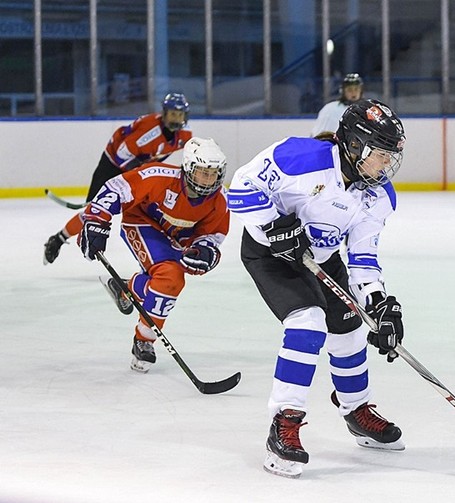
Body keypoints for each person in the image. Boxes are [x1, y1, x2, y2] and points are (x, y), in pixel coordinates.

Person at [227, 99, 406, 478]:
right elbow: (240, 187)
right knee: (307, 323)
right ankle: (284, 422)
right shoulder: (299, 157)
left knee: (350, 328)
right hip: (270, 254)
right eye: (380, 153)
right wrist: (274, 224)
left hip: (322, 258)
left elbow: (362, 257)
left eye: (390, 155)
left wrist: (378, 303)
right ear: (354, 145)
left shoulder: (378, 195)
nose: (386, 163)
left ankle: (356, 409)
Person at [78, 137, 229, 373]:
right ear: (188, 168)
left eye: (213, 174)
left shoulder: (220, 200)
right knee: (170, 277)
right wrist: (97, 219)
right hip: (141, 222)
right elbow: (116, 187)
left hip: (174, 238)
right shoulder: (158, 176)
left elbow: (212, 235)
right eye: (203, 172)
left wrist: (206, 251)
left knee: (169, 281)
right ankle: (144, 340)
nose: (208, 180)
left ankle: (126, 288)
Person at [43, 93, 193, 265]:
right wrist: (140, 174)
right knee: (93, 211)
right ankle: (58, 239)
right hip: (113, 163)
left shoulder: (185, 135)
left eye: (180, 114)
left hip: (138, 166)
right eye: (173, 114)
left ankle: (157, 255)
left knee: (150, 211)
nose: (177, 118)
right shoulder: (149, 132)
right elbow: (122, 154)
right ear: (164, 113)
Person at [310, 73, 364, 137]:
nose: (353, 92)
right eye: (349, 89)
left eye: (356, 89)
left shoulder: (365, 110)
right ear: (343, 91)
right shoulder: (331, 108)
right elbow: (318, 134)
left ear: (361, 91)